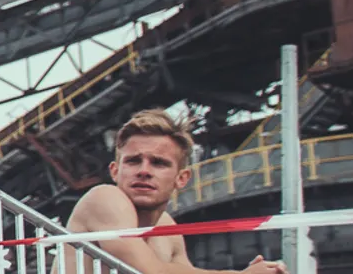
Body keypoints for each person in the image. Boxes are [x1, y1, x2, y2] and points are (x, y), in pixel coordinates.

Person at [64, 110, 287, 274]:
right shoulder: (104, 198)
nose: (144, 171)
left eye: (158, 163)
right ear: (115, 171)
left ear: (182, 178)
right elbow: (148, 271)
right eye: (133, 161)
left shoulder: (168, 228)